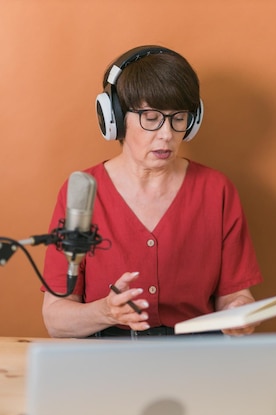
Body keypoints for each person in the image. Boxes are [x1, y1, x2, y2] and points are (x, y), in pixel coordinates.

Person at [41, 45, 262, 338]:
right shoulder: (83, 192)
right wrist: (106, 311)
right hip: (106, 355)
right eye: (151, 117)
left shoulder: (217, 190)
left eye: (178, 118)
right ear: (116, 119)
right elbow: (56, 319)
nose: (167, 134)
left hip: (197, 354)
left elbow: (234, 297)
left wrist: (241, 311)